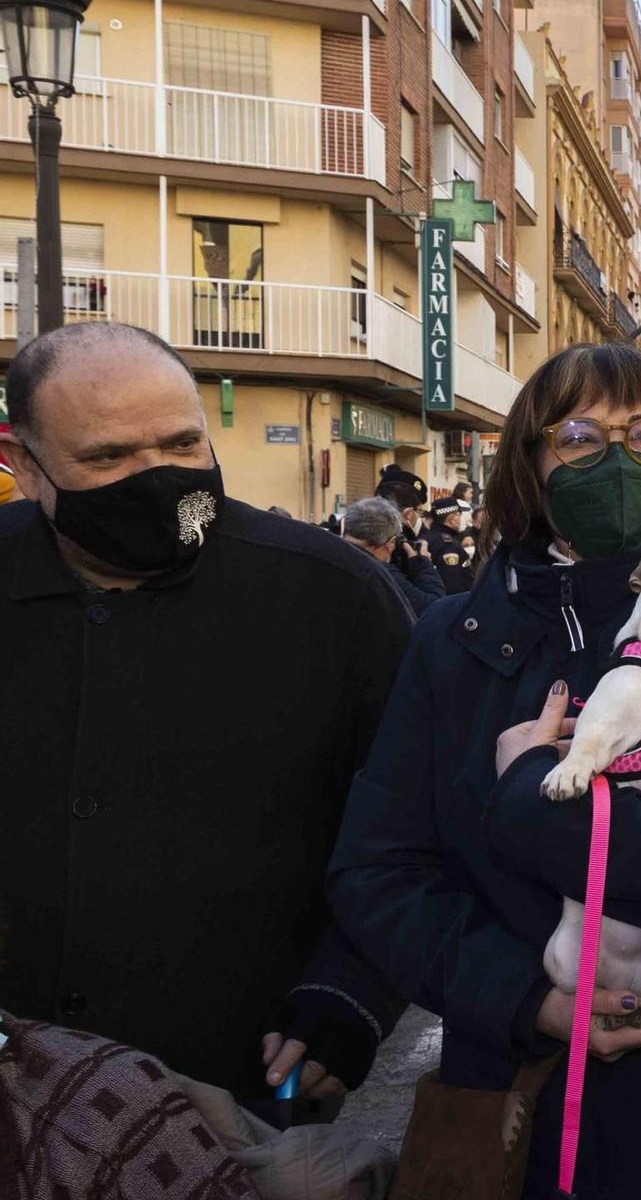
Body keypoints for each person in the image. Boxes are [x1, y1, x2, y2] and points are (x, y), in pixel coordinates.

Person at [327, 342, 641, 1199]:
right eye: (577, 435)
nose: (616, 456)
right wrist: (530, 996)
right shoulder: (454, 642)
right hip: (512, 1111)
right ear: (530, 465)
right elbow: (379, 869)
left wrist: (532, 806)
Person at [0, 322, 406, 1104]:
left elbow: (413, 826)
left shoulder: (333, 597)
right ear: (23, 464)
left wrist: (351, 993)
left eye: (183, 444)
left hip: (238, 1088)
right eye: (108, 457)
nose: (155, 479)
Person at [343, 494, 445, 616]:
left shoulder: (326, 558)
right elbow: (435, 607)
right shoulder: (380, 573)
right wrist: (423, 564)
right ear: (390, 543)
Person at [422, 496, 477, 594]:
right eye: (459, 515)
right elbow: (453, 583)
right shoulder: (448, 545)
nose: (461, 519)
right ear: (452, 519)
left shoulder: (425, 538)